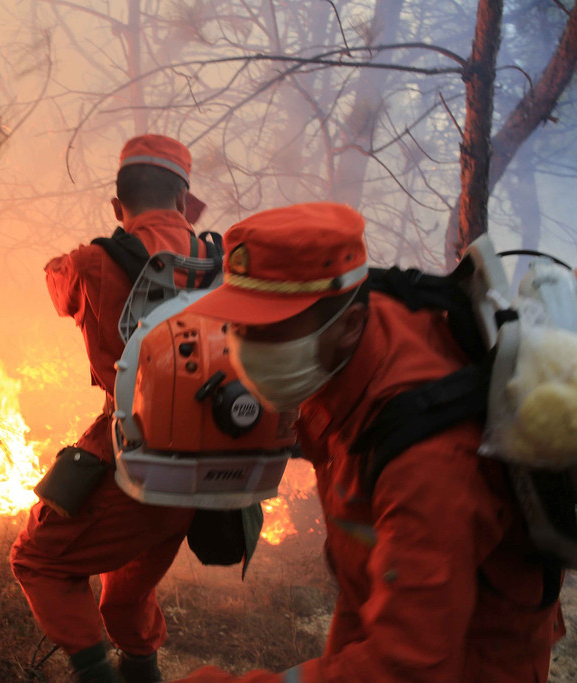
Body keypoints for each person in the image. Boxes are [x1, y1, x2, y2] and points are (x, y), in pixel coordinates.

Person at [173, 202, 566, 682]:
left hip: (470, 656)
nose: (244, 349)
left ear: (349, 327)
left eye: (268, 331)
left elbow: (409, 666)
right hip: (374, 598)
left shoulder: (430, 467)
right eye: (237, 325)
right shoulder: (359, 324)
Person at [10, 135, 202, 683]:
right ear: (186, 203)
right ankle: (142, 668)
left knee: (36, 559)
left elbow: (58, 287)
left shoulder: (94, 262)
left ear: (119, 207)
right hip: (207, 470)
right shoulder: (222, 257)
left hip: (136, 453)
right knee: (125, 595)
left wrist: (78, 259)